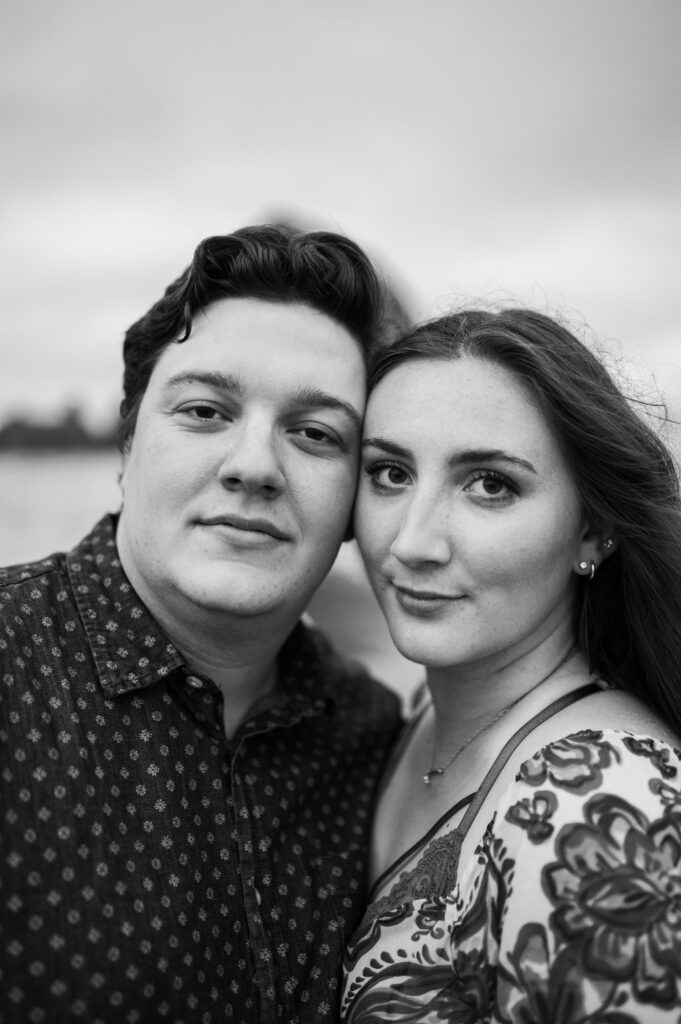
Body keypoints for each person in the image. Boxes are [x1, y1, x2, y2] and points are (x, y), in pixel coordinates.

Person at [0, 225, 402, 1024]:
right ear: (127, 440)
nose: (253, 464)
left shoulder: (369, 731)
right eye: (205, 410)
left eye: (315, 434)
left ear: (358, 501)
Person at [341, 309, 681, 1023]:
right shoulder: (424, 713)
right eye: (389, 473)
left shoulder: (595, 807)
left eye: (489, 484)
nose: (412, 542)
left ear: (591, 525)